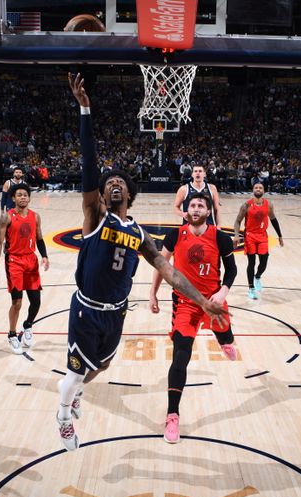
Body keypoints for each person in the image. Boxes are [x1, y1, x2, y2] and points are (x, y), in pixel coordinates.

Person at [56, 73, 227, 451]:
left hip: (116, 312)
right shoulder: (94, 216)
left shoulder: (138, 233)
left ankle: (76, 389)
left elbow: (170, 273)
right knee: (73, 374)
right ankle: (64, 415)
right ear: (101, 194)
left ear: (129, 192)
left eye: (120, 181)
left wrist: (202, 302)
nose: (113, 183)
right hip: (85, 309)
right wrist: (84, 109)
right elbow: (89, 163)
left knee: (101, 366)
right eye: (107, 183)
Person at [150, 192, 237, 444]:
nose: (196, 208)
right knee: (180, 356)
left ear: (208, 212)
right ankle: (172, 415)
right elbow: (161, 266)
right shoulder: (175, 235)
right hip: (185, 303)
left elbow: (231, 270)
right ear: (186, 210)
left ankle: (225, 342)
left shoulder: (221, 237)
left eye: (201, 205)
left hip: (213, 301)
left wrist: (223, 292)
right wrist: (152, 294)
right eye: (192, 205)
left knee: (227, 339)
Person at [0, 182, 49, 354]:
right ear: (13, 198)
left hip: (31, 260)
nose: (23, 197)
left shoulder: (35, 216)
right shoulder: (6, 217)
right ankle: (12, 334)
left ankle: (28, 325)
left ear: (29, 198)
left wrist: (44, 256)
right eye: (19, 195)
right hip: (14, 261)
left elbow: (39, 238)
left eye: (25, 194)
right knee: (17, 302)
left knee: (36, 301)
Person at [232, 182, 284, 299]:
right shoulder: (246, 205)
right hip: (250, 235)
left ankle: (257, 277)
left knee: (264, 263)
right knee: (252, 262)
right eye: (256, 187)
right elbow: (237, 221)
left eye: (260, 188)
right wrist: (236, 235)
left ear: (263, 191)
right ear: (253, 190)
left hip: (262, 236)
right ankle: (251, 288)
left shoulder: (269, 205)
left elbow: (273, 219)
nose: (258, 189)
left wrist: (280, 235)